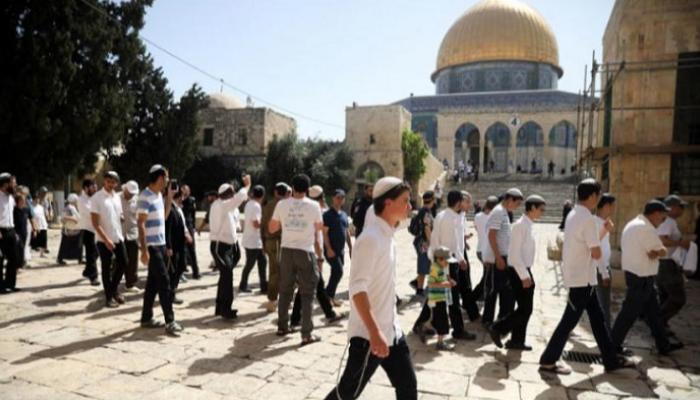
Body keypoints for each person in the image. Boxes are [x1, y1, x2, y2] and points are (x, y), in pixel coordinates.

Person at [325, 177, 417, 400]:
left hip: (391, 331)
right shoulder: (371, 239)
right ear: (388, 203)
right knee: (346, 393)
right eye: (405, 200)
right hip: (369, 336)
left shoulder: (388, 234)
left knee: (407, 386)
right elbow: (357, 289)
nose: (410, 206)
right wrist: (375, 332)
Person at [539, 179, 632, 375]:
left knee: (597, 321)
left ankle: (610, 359)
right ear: (591, 196)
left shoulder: (574, 214)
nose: (598, 199)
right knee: (568, 322)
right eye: (598, 195)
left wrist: (603, 231)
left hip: (584, 278)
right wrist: (602, 237)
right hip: (582, 279)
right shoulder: (588, 218)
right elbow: (596, 252)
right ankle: (548, 360)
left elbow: (586, 243)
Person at [610, 200, 683, 356]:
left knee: (654, 314)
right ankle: (612, 346)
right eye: (662, 218)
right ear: (655, 214)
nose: (662, 221)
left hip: (638, 275)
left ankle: (663, 345)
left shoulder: (633, 224)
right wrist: (660, 250)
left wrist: (657, 251)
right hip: (641, 277)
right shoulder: (646, 229)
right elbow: (662, 250)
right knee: (628, 314)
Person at [270, 174, 324, 345]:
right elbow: (318, 230)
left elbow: (272, 228)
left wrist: (287, 223)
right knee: (307, 293)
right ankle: (306, 334)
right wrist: (320, 254)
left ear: (292, 187)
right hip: (305, 251)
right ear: (308, 189)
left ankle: (282, 326)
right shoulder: (314, 205)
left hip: (286, 251)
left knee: (285, 290)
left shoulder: (282, 204)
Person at [488, 195, 546, 350]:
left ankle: (517, 341)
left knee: (524, 308)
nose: (542, 212)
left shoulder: (527, 225)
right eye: (541, 209)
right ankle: (498, 328)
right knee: (525, 309)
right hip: (519, 271)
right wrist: (524, 276)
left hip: (524, 269)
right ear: (532, 208)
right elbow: (514, 255)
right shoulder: (520, 226)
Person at [421, 190, 477, 341]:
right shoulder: (450, 219)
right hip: (446, 261)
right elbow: (451, 244)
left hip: (442, 260)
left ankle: (421, 323)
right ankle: (457, 330)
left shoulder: (442, 215)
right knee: (449, 298)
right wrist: (458, 260)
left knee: (440, 296)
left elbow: (443, 241)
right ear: (458, 203)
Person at [290, 185, 346, 328]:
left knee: (317, 286)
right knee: (310, 286)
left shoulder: (304, 209)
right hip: (311, 254)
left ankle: (328, 314)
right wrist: (320, 257)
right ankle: (298, 319)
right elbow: (316, 237)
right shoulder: (317, 212)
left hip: (300, 251)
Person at [138, 164, 183, 336]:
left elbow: (164, 217)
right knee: (164, 282)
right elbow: (140, 223)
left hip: (161, 244)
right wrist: (144, 250)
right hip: (152, 245)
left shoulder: (158, 196)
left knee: (153, 284)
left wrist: (169, 198)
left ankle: (146, 317)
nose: (168, 181)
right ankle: (170, 321)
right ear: (160, 178)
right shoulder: (145, 196)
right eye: (167, 177)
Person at [209, 177, 251, 320]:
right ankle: (225, 309)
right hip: (219, 246)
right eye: (231, 192)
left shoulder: (229, 208)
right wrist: (247, 186)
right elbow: (238, 198)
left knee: (225, 276)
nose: (233, 194)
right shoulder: (220, 205)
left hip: (230, 246)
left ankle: (220, 307)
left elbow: (235, 224)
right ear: (226, 194)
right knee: (227, 275)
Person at [482, 188, 523, 327]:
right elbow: (492, 235)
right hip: (497, 258)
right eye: (516, 204)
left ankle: (501, 318)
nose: (517, 208)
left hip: (503, 256)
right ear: (510, 200)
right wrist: (498, 257)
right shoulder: (499, 212)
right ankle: (488, 320)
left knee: (503, 290)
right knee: (493, 290)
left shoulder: (504, 212)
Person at [91, 171, 128, 308]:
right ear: (104, 181)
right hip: (103, 239)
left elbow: (119, 214)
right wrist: (106, 240)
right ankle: (109, 297)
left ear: (116, 183)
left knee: (124, 262)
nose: (111, 184)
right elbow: (95, 223)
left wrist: (121, 217)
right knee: (106, 268)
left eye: (113, 182)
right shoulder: (96, 198)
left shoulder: (117, 197)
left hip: (117, 236)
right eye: (108, 181)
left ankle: (113, 290)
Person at [656, 194, 691, 331]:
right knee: (678, 298)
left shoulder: (669, 221)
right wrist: (680, 243)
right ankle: (658, 321)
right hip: (666, 264)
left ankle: (660, 325)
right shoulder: (668, 221)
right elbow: (662, 240)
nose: (682, 210)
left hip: (665, 263)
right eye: (681, 207)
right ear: (673, 207)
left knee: (665, 296)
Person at [414, 246, 458, 351]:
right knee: (442, 320)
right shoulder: (435, 268)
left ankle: (423, 326)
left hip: (440, 298)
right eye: (446, 261)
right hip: (437, 298)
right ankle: (440, 343)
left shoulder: (441, 267)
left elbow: (444, 277)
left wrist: (450, 280)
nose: (448, 264)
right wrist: (444, 284)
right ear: (439, 259)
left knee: (436, 318)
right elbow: (431, 283)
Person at [261, 183, 291, 313]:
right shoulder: (285, 206)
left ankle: (274, 299)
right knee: (278, 272)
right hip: (278, 241)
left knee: (273, 270)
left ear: (275, 192)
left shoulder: (268, 205)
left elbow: (263, 225)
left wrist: (263, 243)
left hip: (269, 241)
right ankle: (273, 300)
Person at [323, 189, 353, 304]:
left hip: (341, 250)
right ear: (333, 199)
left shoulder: (344, 215)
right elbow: (324, 233)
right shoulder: (327, 215)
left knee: (336, 272)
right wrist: (329, 249)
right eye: (338, 197)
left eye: (342, 197)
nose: (340, 200)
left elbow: (346, 232)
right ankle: (327, 295)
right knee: (338, 271)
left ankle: (330, 297)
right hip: (331, 249)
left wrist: (350, 247)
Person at [240, 185, 267, 293]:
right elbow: (256, 224)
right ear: (262, 195)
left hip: (252, 240)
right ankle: (243, 284)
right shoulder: (256, 206)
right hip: (253, 241)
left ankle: (263, 285)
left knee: (262, 262)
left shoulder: (249, 204)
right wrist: (265, 223)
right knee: (250, 264)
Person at [594, 194, 616, 330]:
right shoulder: (596, 223)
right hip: (599, 269)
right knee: (604, 304)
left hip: (599, 268)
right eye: (612, 206)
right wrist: (604, 272)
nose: (614, 209)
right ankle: (607, 333)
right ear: (606, 206)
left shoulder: (603, 222)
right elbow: (596, 248)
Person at [458, 191, 480, 322]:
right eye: (467, 201)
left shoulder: (462, 216)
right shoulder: (450, 217)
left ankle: (470, 309)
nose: (469, 204)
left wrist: (464, 241)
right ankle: (472, 312)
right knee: (463, 282)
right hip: (453, 255)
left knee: (465, 281)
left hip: (460, 251)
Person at [166, 187, 190, 305]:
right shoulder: (170, 209)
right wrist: (169, 246)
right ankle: (170, 294)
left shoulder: (177, 208)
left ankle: (171, 291)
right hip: (174, 246)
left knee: (181, 266)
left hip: (180, 244)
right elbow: (168, 229)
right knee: (173, 271)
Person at [472, 196, 499, 301]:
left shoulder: (477, 216)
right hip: (488, 251)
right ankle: (474, 297)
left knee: (487, 274)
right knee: (487, 276)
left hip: (480, 249)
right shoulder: (493, 218)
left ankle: (481, 295)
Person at [409, 191, 434, 298]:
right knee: (423, 264)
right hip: (423, 242)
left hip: (419, 240)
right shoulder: (427, 212)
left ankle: (416, 282)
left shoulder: (421, 210)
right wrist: (430, 242)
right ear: (432, 200)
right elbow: (427, 227)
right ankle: (419, 289)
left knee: (426, 263)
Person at [0, 173, 20, 293]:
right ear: (6, 184)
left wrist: (15, 231)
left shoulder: (11, 198)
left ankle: (10, 284)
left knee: (14, 259)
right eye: (13, 183)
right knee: (0, 259)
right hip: (1, 231)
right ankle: (1, 287)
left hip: (11, 231)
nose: (15, 185)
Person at [78, 179, 99, 286]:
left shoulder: (93, 198)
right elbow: (91, 213)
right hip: (87, 230)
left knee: (96, 253)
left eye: (95, 187)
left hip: (96, 230)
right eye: (92, 187)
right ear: (86, 188)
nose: (95, 189)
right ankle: (93, 277)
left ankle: (87, 271)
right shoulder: (81, 200)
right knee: (91, 254)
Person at [120, 181, 140, 291]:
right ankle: (114, 283)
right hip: (119, 234)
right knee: (118, 261)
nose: (131, 195)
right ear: (125, 190)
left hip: (133, 234)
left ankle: (130, 284)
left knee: (133, 260)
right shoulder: (116, 198)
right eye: (129, 192)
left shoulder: (137, 200)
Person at [180, 184, 200, 279]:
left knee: (192, 249)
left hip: (189, 225)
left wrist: (194, 227)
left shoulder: (191, 200)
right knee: (182, 250)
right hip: (180, 226)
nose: (184, 191)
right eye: (183, 189)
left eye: (186, 190)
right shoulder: (178, 200)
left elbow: (193, 214)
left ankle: (196, 272)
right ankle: (183, 269)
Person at [57, 193, 82, 264]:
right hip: (69, 230)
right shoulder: (69, 208)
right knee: (65, 245)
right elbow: (63, 218)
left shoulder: (73, 207)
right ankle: (60, 259)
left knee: (78, 245)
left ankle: (78, 258)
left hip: (75, 230)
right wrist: (74, 219)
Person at [13, 194, 32, 269]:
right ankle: (17, 265)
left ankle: (21, 264)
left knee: (22, 248)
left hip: (24, 231)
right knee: (18, 248)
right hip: (16, 232)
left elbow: (31, 218)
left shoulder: (26, 209)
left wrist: (34, 228)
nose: (24, 201)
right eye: (22, 200)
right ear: (18, 201)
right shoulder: (14, 210)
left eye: (24, 200)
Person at [30, 189, 49, 257]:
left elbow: (43, 216)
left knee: (43, 240)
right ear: (33, 199)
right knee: (34, 240)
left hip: (43, 225)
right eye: (36, 199)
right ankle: (30, 254)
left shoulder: (41, 207)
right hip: (36, 225)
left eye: (38, 199)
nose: (38, 200)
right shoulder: (31, 207)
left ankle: (42, 253)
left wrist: (46, 223)